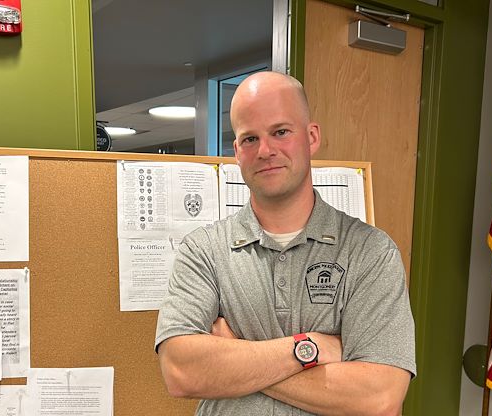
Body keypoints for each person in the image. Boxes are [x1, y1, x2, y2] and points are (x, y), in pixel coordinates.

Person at [155, 71, 416, 415]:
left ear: (311, 137)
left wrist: (236, 357)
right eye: (249, 139)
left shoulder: (371, 253)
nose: (265, 150)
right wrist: (309, 348)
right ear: (236, 151)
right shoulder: (203, 251)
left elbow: (379, 397)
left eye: (280, 132)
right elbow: (180, 371)